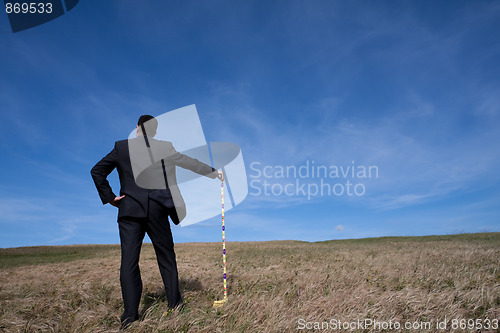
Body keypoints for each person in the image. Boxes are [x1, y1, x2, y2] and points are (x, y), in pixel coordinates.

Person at [91, 115, 223, 329]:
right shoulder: (164, 147)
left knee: (129, 261)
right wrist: (213, 172)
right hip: (157, 209)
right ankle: (175, 306)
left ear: (137, 128)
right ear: (154, 131)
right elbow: (187, 162)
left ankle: (130, 316)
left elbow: (97, 171)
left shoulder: (121, 147)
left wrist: (110, 197)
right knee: (166, 257)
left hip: (129, 208)